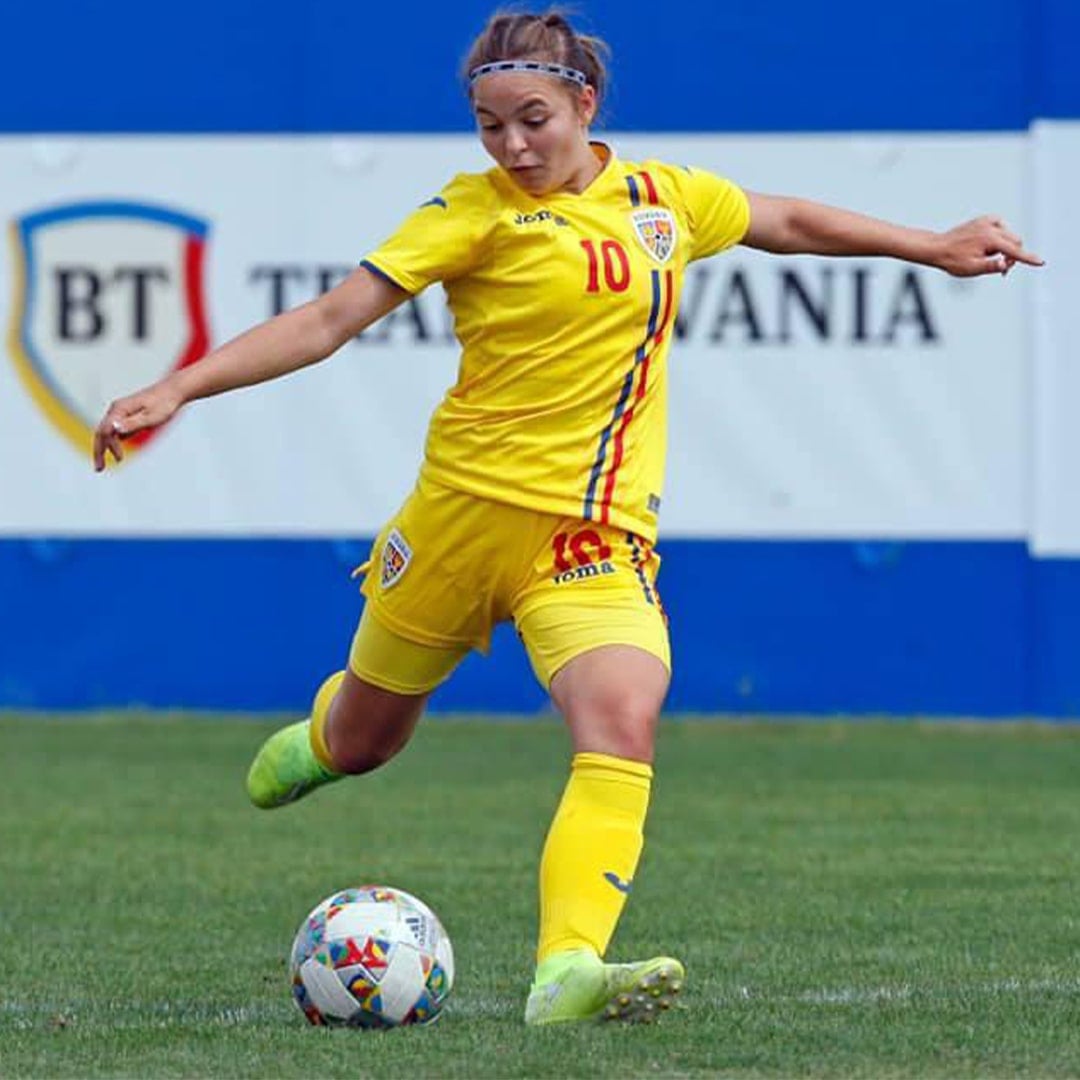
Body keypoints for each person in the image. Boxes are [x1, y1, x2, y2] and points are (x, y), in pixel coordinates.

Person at [93, 9, 1043, 1027]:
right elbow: (328, 320)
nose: (512, 146)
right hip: (458, 523)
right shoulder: (471, 212)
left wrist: (932, 246)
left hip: (590, 540)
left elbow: (791, 222)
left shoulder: (666, 200)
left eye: (533, 120)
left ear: (586, 103)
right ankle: (321, 743)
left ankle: (568, 970)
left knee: (623, 716)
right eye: (490, 126)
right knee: (368, 741)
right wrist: (178, 386)